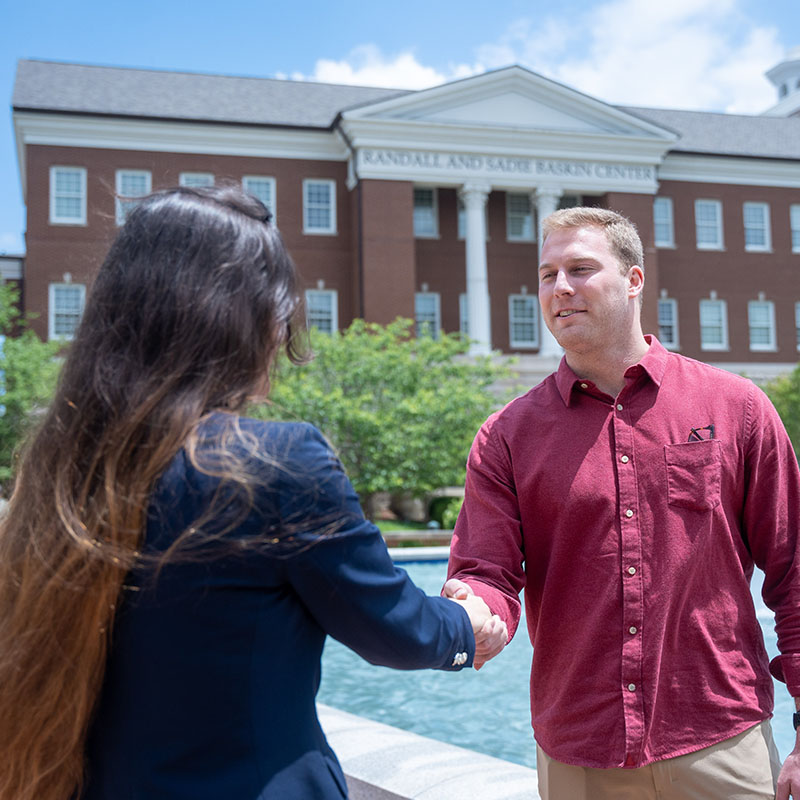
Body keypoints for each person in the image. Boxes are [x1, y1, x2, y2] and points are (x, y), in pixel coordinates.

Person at [0, 185, 506, 800]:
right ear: (247, 320)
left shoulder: (54, 470)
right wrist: (467, 626)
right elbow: (394, 628)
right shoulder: (276, 463)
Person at [444, 206, 800, 800]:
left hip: (719, 738)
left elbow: (793, 569)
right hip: (579, 750)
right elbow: (487, 572)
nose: (560, 288)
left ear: (634, 281)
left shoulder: (736, 408)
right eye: (547, 274)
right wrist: (478, 612)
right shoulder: (507, 435)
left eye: (581, 268)